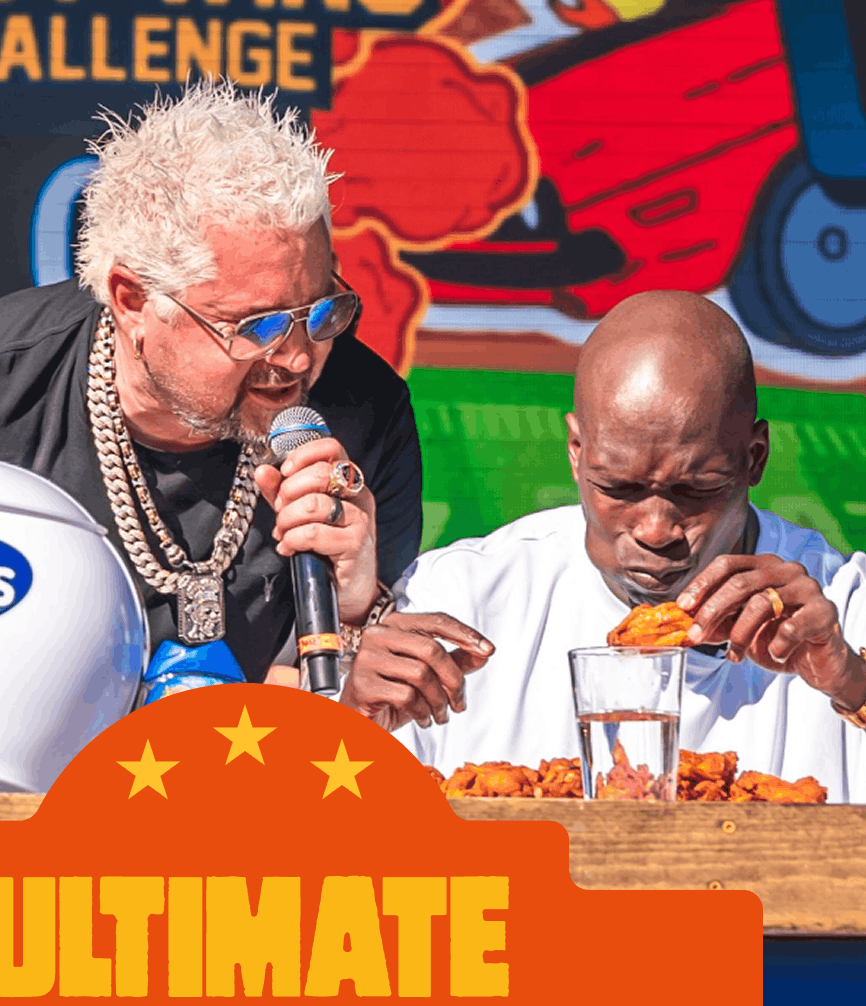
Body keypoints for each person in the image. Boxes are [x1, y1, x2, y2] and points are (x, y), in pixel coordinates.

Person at [0, 81, 422, 790]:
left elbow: (317, 739)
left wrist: (354, 608)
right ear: (132, 300)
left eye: (321, 311)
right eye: (256, 326)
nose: (298, 357)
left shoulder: (360, 410)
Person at [341, 290, 866, 800]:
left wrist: (851, 684)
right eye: (619, 488)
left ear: (754, 458)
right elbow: (324, 831)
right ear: (576, 451)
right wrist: (353, 724)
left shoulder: (841, 611)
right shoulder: (464, 598)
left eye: (694, 490)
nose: (655, 530)